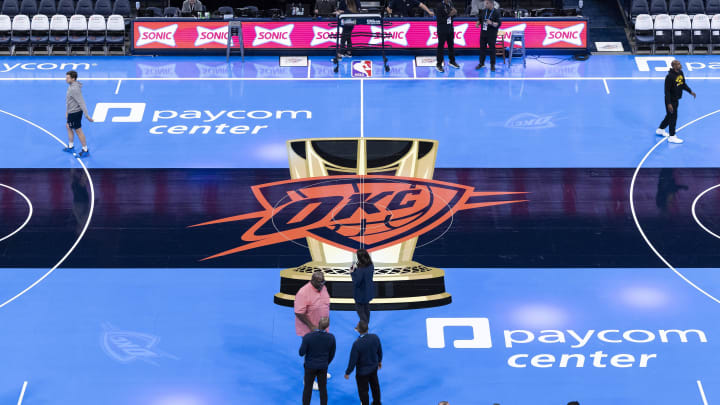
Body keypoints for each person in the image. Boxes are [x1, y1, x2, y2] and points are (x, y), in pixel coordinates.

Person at [295, 271, 332, 389]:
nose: (323, 285)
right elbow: (299, 312)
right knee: (311, 356)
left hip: (323, 328)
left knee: (323, 352)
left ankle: (321, 372)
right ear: (313, 281)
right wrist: (311, 326)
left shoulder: (323, 288)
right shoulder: (303, 292)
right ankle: (308, 380)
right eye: (320, 283)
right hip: (309, 330)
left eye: (323, 282)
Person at [656, 59, 696, 144]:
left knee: (669, 116)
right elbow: (666, 92)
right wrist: (669, 103)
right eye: (677, 64)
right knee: (673, 117)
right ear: (673, 66)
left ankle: (660, 129)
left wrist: (690, 91)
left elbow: (683, 84)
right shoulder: (669, 77)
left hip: (676, 99)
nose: (680, 65)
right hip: (671, 100)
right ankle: (672, 136)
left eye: (679, 63)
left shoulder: (680, 73)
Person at [300, 317, 336, 405]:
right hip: (323, 366)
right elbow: (332, 354)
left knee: (307, 389)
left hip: (310, 366)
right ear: (327, 326)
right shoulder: (331, 338)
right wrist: (326, 363)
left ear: (318, 324)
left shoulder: (308, 337)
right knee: (323, 389)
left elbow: (301, 352)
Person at [345, 321, 383, 405]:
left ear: (358, 330)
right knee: (375, 386)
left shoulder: (357, 344)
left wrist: (348, 372)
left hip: (362, 373)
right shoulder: (375, 337)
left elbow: (353, 361)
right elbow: (379, 351)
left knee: (363, 391)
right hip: (373, 368)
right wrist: (379, 361)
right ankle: (377, 403)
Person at [64, 70, 93, 158]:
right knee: (68, 127)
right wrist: (67, 111)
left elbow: (81, 102)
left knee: (78, 130)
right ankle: (71, 146)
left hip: (75, 113)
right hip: (71, 111)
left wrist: (86, 115)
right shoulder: (71, 86)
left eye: (67, 77)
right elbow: (69, 101)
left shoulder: (74, 89)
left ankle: (85, 150)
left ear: (73, 79)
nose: (65, 79)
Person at [350, 248, 375, 324]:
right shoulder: (371, 265)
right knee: (366, 308)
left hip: (360, 294)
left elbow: (357, 282)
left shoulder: (360, 270)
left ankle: (364, 327)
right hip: (368, 292)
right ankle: (366, 324)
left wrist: (352, 272)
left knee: (360, 311)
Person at [434, 0, 460, 73]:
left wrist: (455, 13)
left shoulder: (451, 4)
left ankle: (452, 61)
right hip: (442, 29)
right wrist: (449, 15)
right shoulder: (439, 6)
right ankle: (439, 64)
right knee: (441, 47)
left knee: (451, 46)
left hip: (450, 29)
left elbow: (453, 16)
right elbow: (439, 19)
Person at [476, 0, 501, 72]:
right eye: (485, 3)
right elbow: (480, 19)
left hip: (492, 34)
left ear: (491, 4)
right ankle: (481, 63)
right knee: (482, 49)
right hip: (483, 33)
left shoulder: (496, 12)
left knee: (492, 50)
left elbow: (498, 24)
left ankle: (492, 64)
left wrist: (491, 23)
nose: (485, 5)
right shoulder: (483, 11)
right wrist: (478, 23)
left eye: (487, 3)